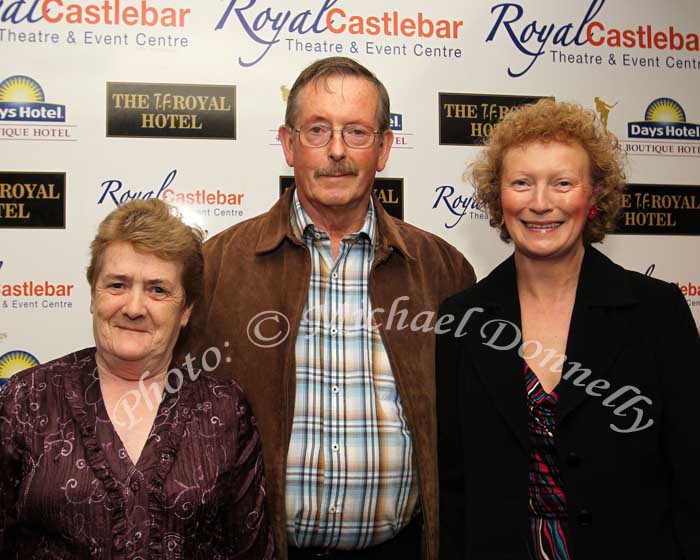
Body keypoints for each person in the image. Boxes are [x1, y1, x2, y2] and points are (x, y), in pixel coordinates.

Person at [182, 56, 475, 560]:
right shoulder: (216, 265)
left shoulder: (443, 270)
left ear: (383, 148)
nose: (336, 151)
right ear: (289, 144)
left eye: (357, 132)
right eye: (317, 130)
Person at [437, 99, 700, 559]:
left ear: (593, 195)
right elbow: (453, 487)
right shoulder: (461, 319)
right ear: (498, 196)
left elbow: (692, 473)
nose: (541, 204)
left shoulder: (658, 312)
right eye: (522, 183)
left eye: (562, 183)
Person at [0, 199, 275, 558]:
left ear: (186, 311)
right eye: (117, 285)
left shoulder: (224, 408)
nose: (133, 307)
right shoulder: (28, 399)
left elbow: (251, 548)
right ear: (93, 295)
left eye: (158, 289)